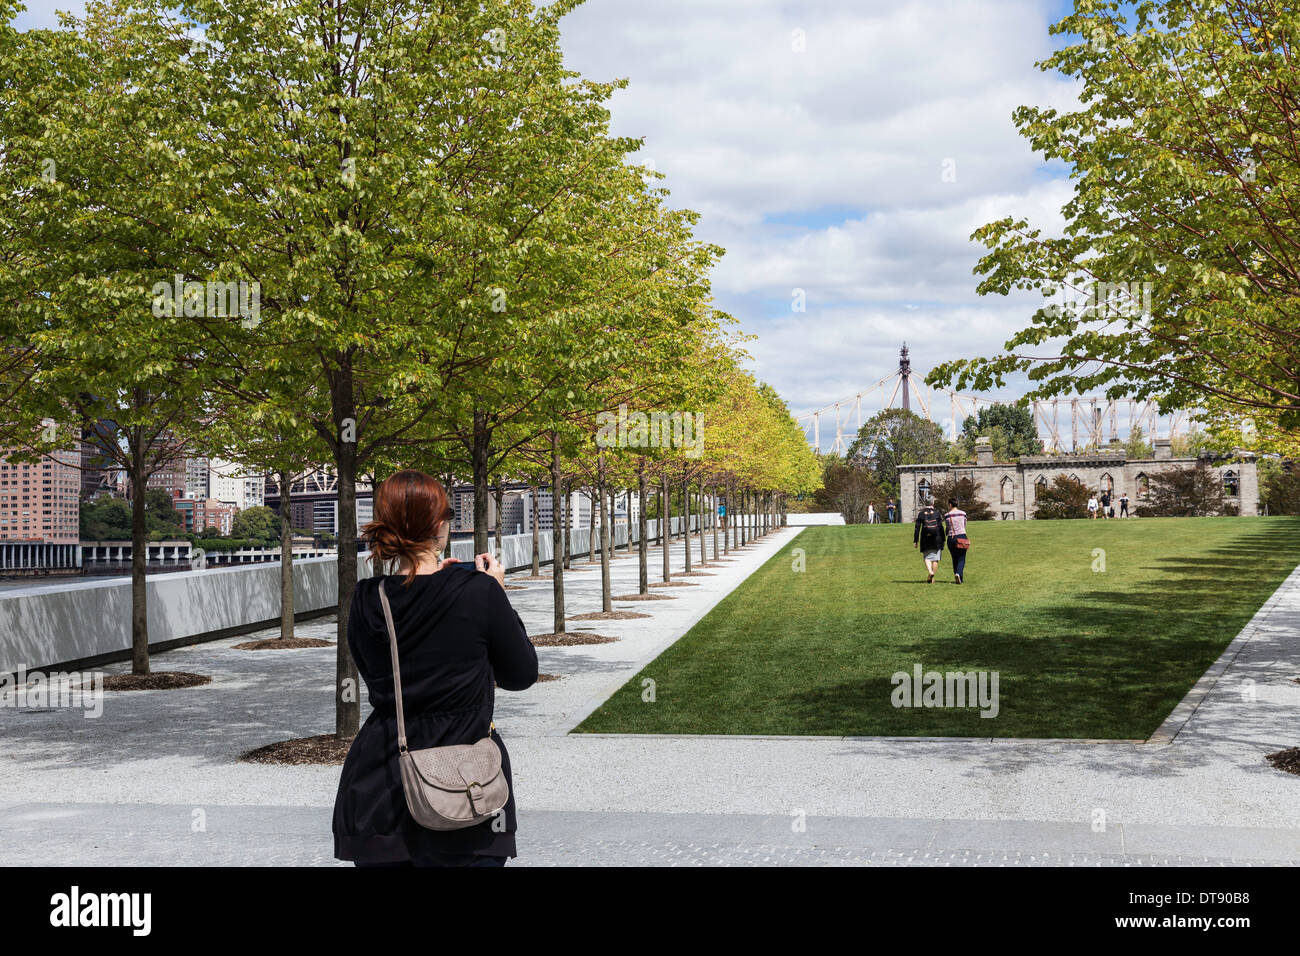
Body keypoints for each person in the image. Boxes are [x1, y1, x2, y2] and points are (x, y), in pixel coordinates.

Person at [333, 469, 538, 867]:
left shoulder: (366, 599)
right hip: (466, 786)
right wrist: (495, 591)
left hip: (383, 783)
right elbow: (520, 674)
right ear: (441, 526)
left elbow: (377, 677)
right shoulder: (478, 593)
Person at [913, 499, 946, 583]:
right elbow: (941, 527)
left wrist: (915, 540)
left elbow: (917, 528)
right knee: (935, 559)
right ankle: (932, 577)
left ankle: (930, 572)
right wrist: (943, 539)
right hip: (937, 538)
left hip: (925, 538)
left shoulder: (921, 514)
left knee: (926, 557)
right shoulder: (937, 513)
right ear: (933, 503)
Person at [944, 498, 969, 584]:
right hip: (961, 536)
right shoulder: (963, 514)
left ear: (950, 504)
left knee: (954, 558)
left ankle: (956, 574)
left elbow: (947, 527)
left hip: (951, 537)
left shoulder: (947, 515)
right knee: (961, 558)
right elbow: (964, 525)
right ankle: (958, 574)